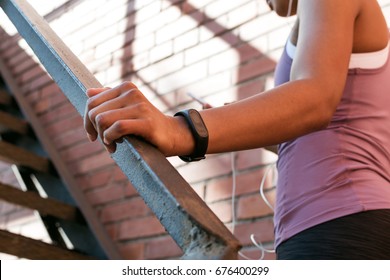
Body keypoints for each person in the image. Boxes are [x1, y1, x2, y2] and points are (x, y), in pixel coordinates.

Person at [84, 0, 390, 259]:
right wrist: (234, 123)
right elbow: (327, 130)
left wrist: (181, 129)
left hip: (343, 219)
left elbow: (316, 99)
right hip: (325, 222)